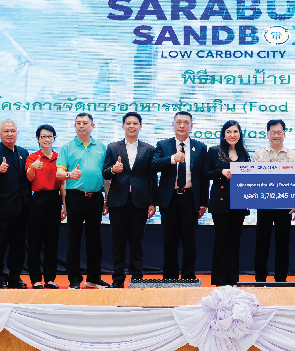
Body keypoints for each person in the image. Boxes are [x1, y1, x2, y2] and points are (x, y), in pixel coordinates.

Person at [102, 112, 157, 288]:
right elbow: (105, 173)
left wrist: (152, 202)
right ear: (123, 126)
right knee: (118, 242)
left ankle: (137, 279)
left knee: (137, 241)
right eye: (128, 123)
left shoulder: (149, 149)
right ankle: (117, 279)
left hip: (140, 201)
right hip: (118, 201)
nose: (131, 126)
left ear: (140, 126)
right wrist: (113, 169)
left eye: (135, 123)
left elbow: (152, 178)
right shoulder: (112, 147)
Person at [151, 111, 208, 280]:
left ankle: (189, 277)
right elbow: (153, 165)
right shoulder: (163, 145)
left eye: (186, 122)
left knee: (189, 241)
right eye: (178, 122)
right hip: (170, 199)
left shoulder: (200, 147)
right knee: (170, 240)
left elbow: (203, 177)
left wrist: (204, 202)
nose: (182, 125)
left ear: (192, 126)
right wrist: (172, 159)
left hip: (190, 198)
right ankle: (170, 277)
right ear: (173, 125)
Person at [56, 112, 109, 289]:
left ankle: (93, 278)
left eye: (85, 123)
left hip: (96, 197)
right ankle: (74, 279)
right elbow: (59, 174)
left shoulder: (101, 147)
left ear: (92, 126)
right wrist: (70, 174)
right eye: (78, 123)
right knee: (74, 239)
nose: (81, 125)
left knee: (95, 239)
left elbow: (106, 175)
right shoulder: (67, 148)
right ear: (74, 126)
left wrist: (107, 198)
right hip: (75, 196)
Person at [251, 119, 295, 283]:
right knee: (261, 242)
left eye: (279, 132)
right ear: (267, 134)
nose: (276, 135)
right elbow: (251, 180)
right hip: (264, 203)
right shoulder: (259, 155)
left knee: (283, 243)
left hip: (285, 204)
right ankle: (260, 278)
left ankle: (281, 278)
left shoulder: (293, 155)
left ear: (284, 134)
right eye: (273, 132)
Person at [0, 120, 31, 289]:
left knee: (18, 245)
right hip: (1, 207)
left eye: (13, 131)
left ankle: (15, 276)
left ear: (17, 133)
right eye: (6, 131)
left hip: (21, 207)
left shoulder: (23, 152)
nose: (10, 134)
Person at [204, 120, 251, 286]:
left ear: (240, 134)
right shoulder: (214, 151)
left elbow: (248, 178)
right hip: (220, 202)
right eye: (229, 132)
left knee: (235, 242)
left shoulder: (244, 153)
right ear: (223, 134)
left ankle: (233, 280)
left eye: (235, 132)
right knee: (221, 240)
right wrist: (220, 172)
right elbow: (205, 173)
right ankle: (220, 281)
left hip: (239, 201)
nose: (232, 135)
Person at [25, 124, 66, 289]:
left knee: (52, 241)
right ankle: (35, 279)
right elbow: (29, 178)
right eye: (43, 136)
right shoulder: (32, 157)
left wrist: (64, 205)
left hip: (54, 199)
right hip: (37, 200)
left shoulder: (59, 157)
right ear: (38, 139)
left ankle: (49, 278)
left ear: (54, 138)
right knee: (35, 241)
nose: (46, 139)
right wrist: (33, 167)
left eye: (50, 136)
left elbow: (62, 183)